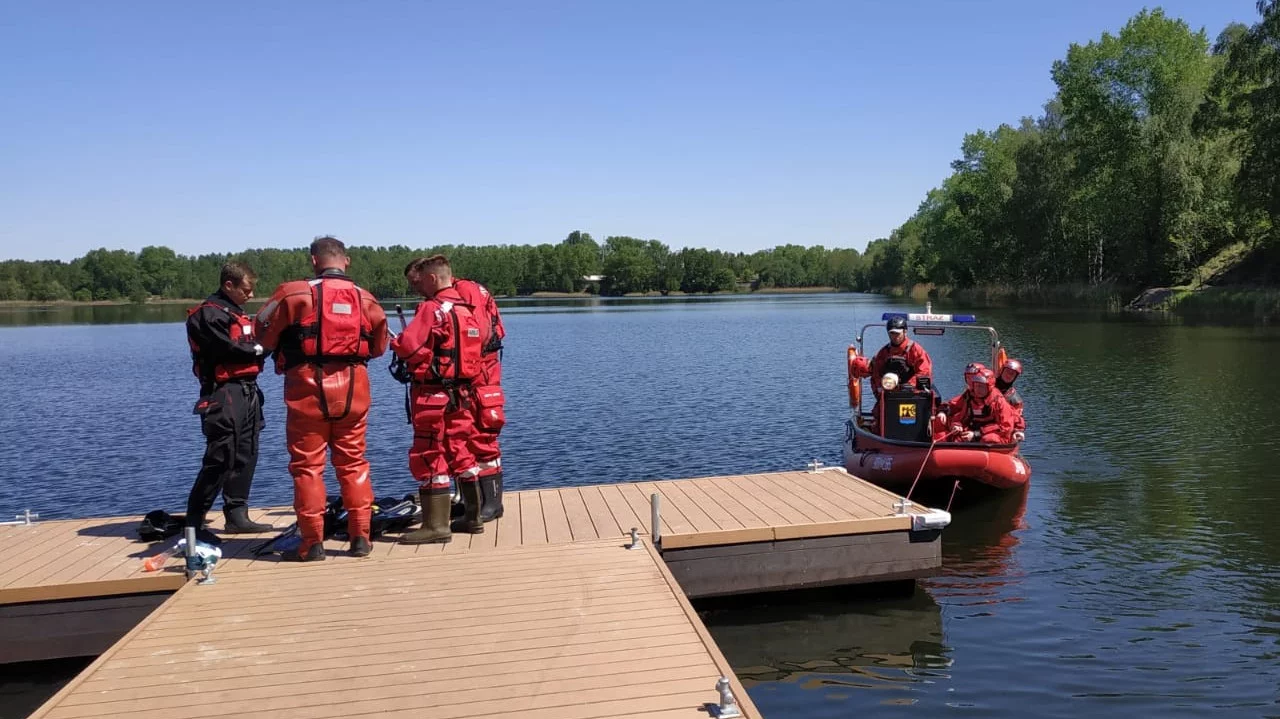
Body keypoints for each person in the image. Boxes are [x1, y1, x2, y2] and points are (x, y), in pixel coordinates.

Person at [255, 236, 389, 561]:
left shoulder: (293, 292)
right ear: (347, 261)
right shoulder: (366, 299)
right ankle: (361, 539)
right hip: (354, 390)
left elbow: (261, 329)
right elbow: (380, 346)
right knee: (353, 462)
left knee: (307, 466)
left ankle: (312, 544)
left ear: (314, 261)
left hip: (306, 389)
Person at [392, 255, 486, 545]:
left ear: (432, 278)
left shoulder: (432, 309)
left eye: (421, 280)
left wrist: (398, 344)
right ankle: (473, 517)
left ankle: (436, 526)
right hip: (463, 394)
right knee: (461, 449)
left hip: (433, 395)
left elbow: (408, 345)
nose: (419, 286)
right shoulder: (467, 310)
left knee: (429, 453)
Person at [183, 261, 274, 534]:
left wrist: (265, 345)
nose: (250, 295)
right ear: (229, 285)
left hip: (248, 389)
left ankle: (237, 515)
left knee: (246, 452)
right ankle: (194, 522)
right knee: (221, 456)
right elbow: (229, 350)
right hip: (223, 392)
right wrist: (261, 349)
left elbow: (249, 346)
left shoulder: (237, 314)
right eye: (246, 289)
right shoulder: (207, 316)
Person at [452, 274, 506, 522]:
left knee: (482, 435)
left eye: (417, 282)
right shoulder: (466, 289)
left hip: (479, 374)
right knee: (461, 436)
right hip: (474, 373)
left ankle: (492, 504)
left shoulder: (464, 290)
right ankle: (473, 501)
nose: (416, 289)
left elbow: (480, 333)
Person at [868, 316, 934, 430]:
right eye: (892, 333)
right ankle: (880, 434)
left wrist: (910, 386)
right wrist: (880, 389)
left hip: (912, 395)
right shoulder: (884, 353)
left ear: (905, 331)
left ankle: (915, 435)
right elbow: (876, 374)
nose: (895, 336)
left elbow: (924, 371)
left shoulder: (915, 350)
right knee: (879, 415)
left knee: (911, 421)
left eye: (898, 333)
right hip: (889, 394)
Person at [938, 367, 1016, 444]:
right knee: (956, 438)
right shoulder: (970, 397)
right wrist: (957, 425)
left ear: (989, 387)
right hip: (974, 430)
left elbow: (1005, 426)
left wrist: (977, 434)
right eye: (976, 386)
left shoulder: (998, 401)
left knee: (989, 439)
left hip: (994, 433)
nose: (978, 390)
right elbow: (962, 416)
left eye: (981, 387)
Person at [996, 359, 1026, 442]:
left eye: (1012, 374)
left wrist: (1018, 431)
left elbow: (1018, 418)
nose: (1008, 375)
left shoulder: (1015, 400)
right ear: (1002, 371)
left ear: (1015, 377)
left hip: (1001, 431)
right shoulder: (987, 388)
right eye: (1007, 371)